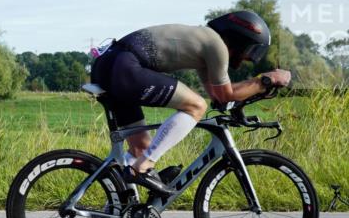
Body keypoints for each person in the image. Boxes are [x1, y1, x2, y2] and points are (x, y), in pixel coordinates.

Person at [89, 10, 291, 195]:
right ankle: (143, 167)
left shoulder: (204, 45)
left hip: (109, 64)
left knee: (140, 149)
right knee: (196, 106)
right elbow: (227, 93)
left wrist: (238, 106)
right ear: (240, 39)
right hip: (125, 67)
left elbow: (220, 96)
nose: (247, 57)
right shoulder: (217, 45)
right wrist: (267, 79)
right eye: (250, 50)